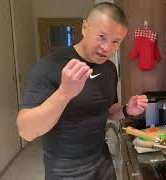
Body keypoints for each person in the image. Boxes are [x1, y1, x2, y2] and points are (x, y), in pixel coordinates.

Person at [16, 2, 148, 180]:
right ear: (85, 27)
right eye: (102, 36)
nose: (107, 48)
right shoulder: (50, 65)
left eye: (116, 42)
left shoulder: (109, 69)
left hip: (103, 162)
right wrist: (65, 92)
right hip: (65, 169)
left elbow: (108, 111)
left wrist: (126, 110)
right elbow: (26, 131)